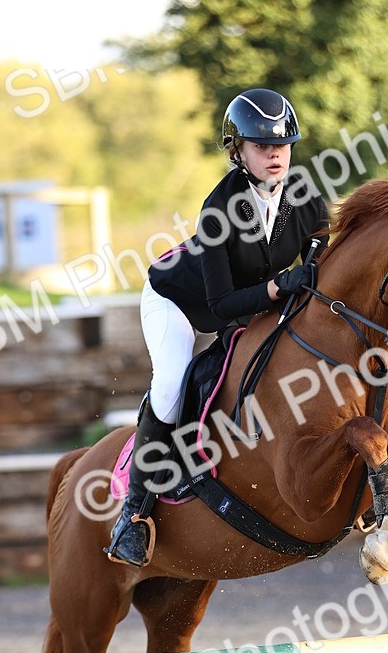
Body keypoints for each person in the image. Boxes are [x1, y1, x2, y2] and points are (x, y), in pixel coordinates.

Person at [107, 87, 329, 566]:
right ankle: (134, 513)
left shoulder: (304, 193)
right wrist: (278, 287)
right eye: (260, 146)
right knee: (171, 383)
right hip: (179, 302)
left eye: (282, 145)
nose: (274, 155)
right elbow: (222, 303)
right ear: (237, 151)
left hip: (249, 302)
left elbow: (323, 246)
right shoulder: (218, 209)